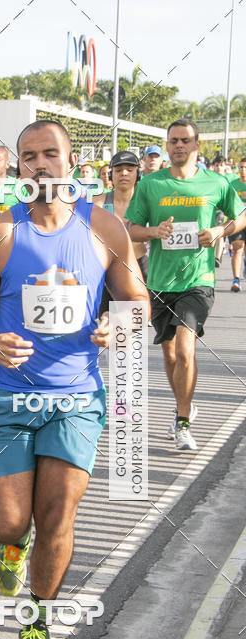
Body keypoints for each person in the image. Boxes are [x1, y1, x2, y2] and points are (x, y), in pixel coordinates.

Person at [0, 119, 148, 639]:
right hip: (8, 398)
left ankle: (37, 621)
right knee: (9, 524)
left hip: (75, 397)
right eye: (29, 157)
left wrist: (119, 328)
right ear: (19, 166)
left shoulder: (105, 229)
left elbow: (136, 303)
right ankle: (11, 550)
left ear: (72, 163)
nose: (39, 165)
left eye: (50, 154)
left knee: (58, 515)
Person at [126, 118, 246, 451]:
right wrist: (155, 232)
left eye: (185, 140)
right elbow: (132, 228)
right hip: (161, 281)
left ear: (196, 145)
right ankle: (184, 402)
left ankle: (182, 422)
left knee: (184, 348)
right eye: (173, 140)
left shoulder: (216, 182)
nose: (179, 145)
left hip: (198, 280)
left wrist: (221, 231)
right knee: (170, 356)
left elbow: (241, 215)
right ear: (167, 146)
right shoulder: (151, 184)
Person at [96, 150, 148, 287]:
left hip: (141, 265)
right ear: (110, 175)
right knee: (106, 308)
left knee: (142, 307)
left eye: (129, 170)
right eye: (118, 170)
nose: (124, 173)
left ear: (138, 175)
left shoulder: (148, 203)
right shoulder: (98, 203)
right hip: (108, 267)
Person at [228, 158, 246, 291]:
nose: (243, 170)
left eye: (245, 167)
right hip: (238, 221)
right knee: (237, 249)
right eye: (241, 167)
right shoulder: (233, 184)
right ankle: (236, 280)